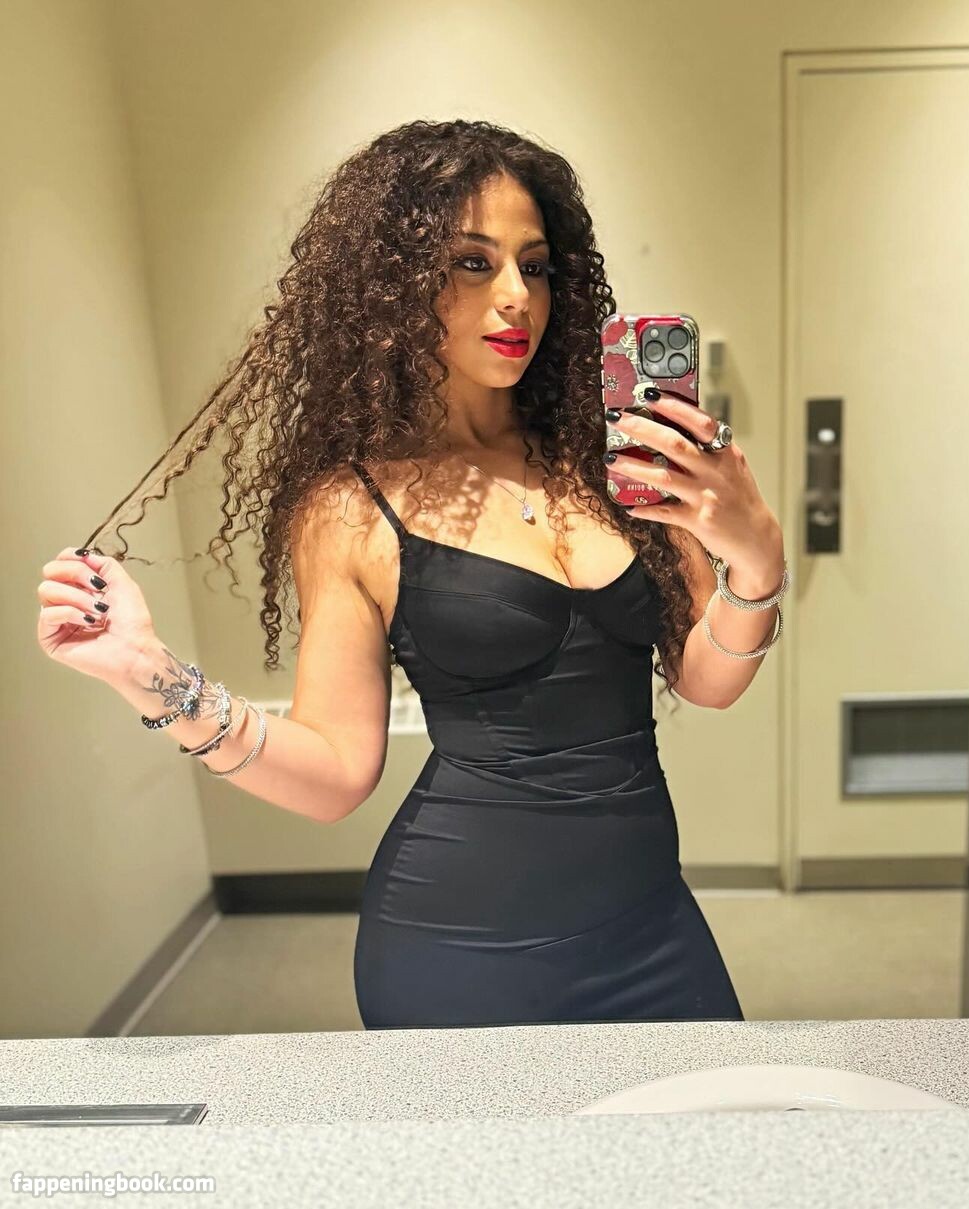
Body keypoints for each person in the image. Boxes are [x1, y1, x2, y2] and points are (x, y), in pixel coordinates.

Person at [36, 119, 788, 1028]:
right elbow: (336, 772)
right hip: (462, 944)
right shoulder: (353, 507)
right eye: (473, 263)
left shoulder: (611, 460)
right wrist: (148, 672)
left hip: (652, 925)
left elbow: (707, 680)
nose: (516, 296)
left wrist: (757, 560)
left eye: (535, 266)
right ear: (392, 284)